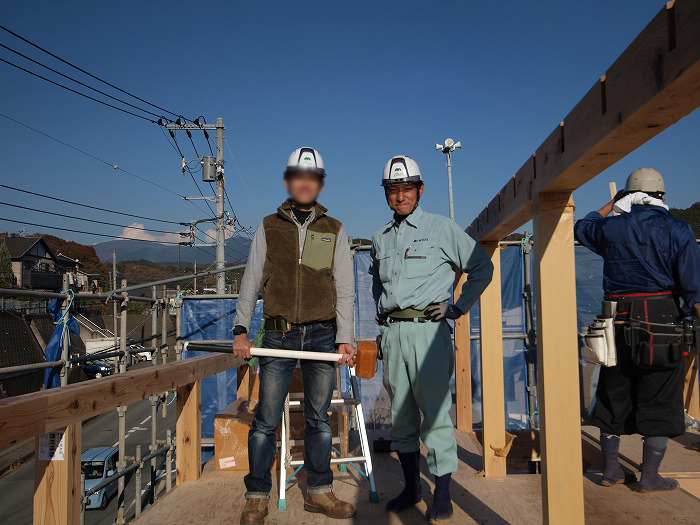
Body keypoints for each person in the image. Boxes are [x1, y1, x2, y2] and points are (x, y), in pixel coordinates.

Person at [232, 147, 356, 524]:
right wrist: (240, 329)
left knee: (320, 419)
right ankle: (256, 496)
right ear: (289, 181)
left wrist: (345, 337)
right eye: (298, 175)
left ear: (319, 183)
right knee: (266, 419)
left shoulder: (334, 229)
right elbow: (251, 281)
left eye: (313, 176)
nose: (305, 183)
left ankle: (319, 491)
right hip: (278, 336)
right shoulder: (269, 226)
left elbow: (346, 289)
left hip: (322, 336)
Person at [369, 155, 493, 520]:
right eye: (393, 190)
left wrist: (457, 308)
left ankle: (442, 494)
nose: (400, 196)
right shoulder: (379, 238)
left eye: (407, 188)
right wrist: (382, 311)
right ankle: (412, 488)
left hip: (429, 332)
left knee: (436, 415)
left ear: (420, 190)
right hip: (393, 337)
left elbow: (481, 268)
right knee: (402, 418)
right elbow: (378, 280)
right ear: (386, 194)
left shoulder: (442, 229)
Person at [575, 167, 700, 492]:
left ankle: (611, 471)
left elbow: (582, 226)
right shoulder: (679, 229)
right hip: (661, 318)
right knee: (659, 394)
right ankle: (649, 476)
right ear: (662, 196)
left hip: (616, 318)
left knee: (613, 393)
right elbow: (693, 287)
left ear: (628, 196)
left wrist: (610, 203)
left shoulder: (612, 228)